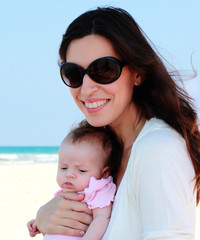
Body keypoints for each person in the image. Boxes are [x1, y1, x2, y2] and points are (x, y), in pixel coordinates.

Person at [35, 7, 200, 239]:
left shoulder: (157, 148)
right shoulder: (106, 149)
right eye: (73, 73)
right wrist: (44, 217)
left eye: (103, 69)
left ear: (138, 73)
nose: (87, 88)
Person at [27, 120, 122, 239]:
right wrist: (38, 224)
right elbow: (56, 218)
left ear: (104, 173)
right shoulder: (65, 193)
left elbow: (102, 219)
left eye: (81, 170)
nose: (69, 174)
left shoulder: (97, 191)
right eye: (63, 167)